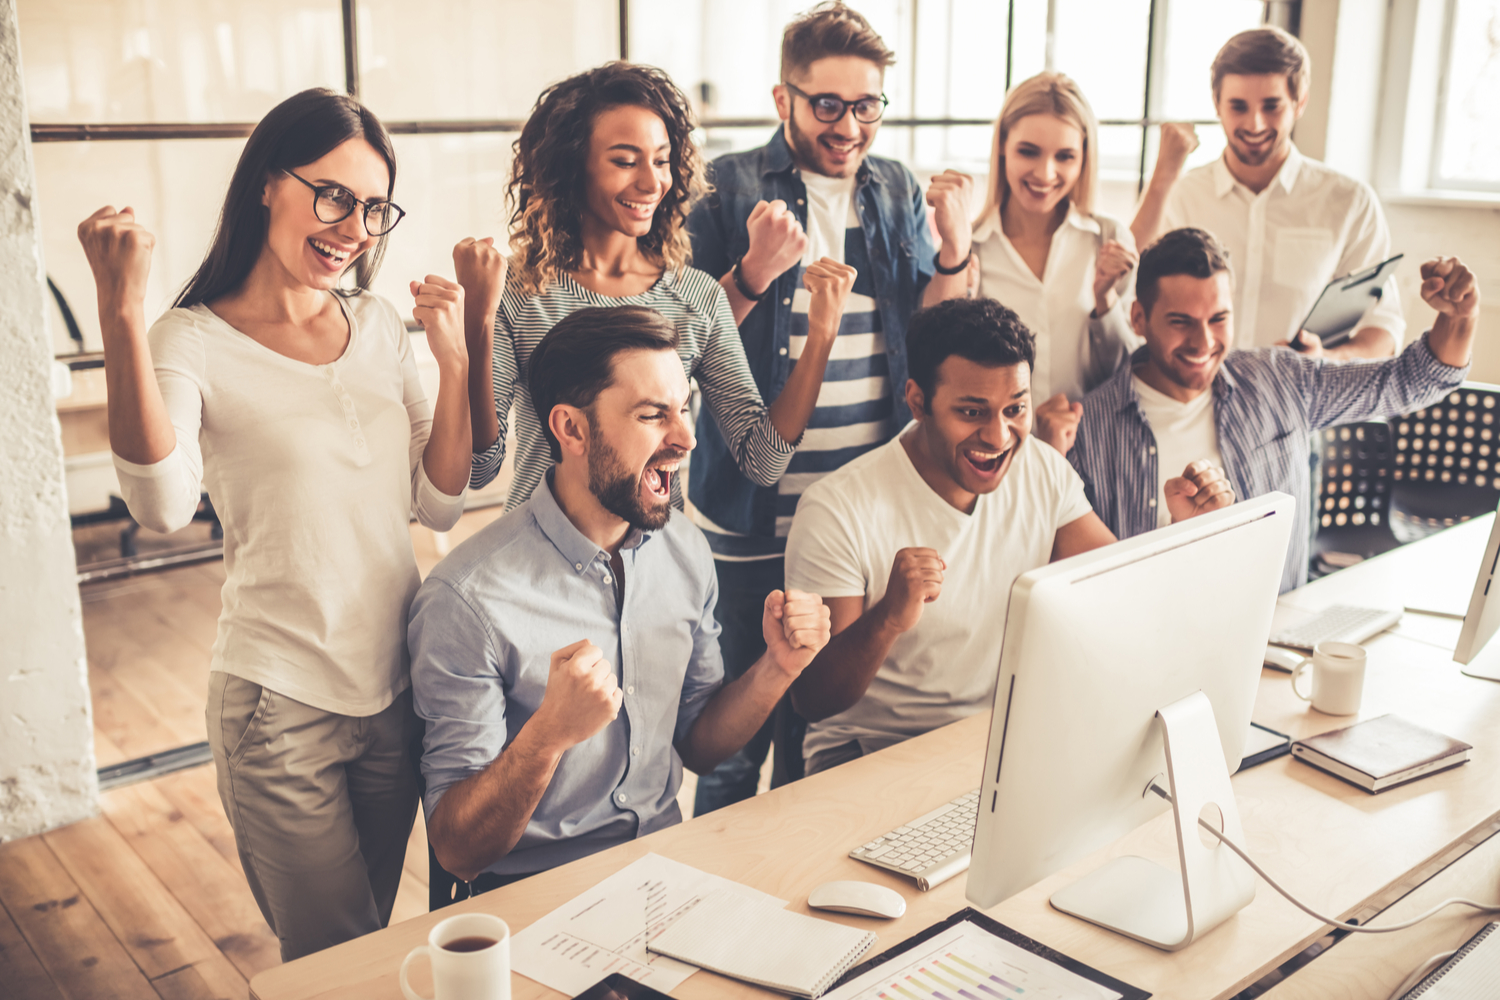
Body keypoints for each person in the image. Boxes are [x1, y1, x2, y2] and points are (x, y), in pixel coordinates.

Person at [75, 89, 471, 959]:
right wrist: (118, 315)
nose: (353, 226)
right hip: (277, 705)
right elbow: (162, 505)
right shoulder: (190, 338)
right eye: (332, 194)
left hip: (397, 692)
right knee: (337, 955)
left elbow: (438, 502)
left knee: (361, 950)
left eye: (373, 207)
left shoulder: (373, 325)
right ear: (265, 182)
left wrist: (454, 358)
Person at [409, 307, 831, 886]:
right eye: (653, 416)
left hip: (667, 870)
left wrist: (777, 669)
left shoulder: (684, 549)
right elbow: (458, 851)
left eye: (683, 410)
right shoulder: (467, 598)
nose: (685, 440)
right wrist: (548, 735)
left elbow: (699, 746)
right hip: (532, 900)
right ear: (572, 429)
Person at [684, 0, 972, 813]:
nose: (850, 125)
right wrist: (750, 268)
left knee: (823, 729)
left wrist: (954, 250)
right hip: (752, 509)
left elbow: (930, 333)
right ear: (784, 100)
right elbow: (685, 339)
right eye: (828, 105)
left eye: (868, 105)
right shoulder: (729, 188)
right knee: (736, 740)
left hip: (857, 514)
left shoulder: (896, 187)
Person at [782, 297, 1232, 776]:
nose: (998, 437)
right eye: (973, 413)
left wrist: (1186, 531)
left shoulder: (1040, 468)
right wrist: (888, 618)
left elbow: (1119, 597)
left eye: (1015, 409)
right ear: (918, 402)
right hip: (871, 752)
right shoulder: (836, 508)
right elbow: (814, 700)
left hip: (999, 743)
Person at [455, 61, 854, 513]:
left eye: (662, 160)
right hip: (539, 561)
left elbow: (762, 460)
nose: (651, 182)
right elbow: (479, 468)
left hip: (660, 565)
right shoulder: (519, 292)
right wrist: (477, 321)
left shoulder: (697, 296)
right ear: (571, 166)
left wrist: (821, 336)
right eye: (625, 161)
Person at [1068, 228, 1478, 594]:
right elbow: (1086, 581)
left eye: (1219, 319)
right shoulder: (1089, 428)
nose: (1203, 341)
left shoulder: (1278, 379)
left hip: (1271, 638)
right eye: (1181, 321)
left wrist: (1459, 318)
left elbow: (1412, 381)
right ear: (1138, 318)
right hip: (1147, 644)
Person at [1129, 26, 1403, 359]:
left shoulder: (1350, 203)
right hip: (1198, 404)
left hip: (1301, 405)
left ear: (1299, 103)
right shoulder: (1182, 196)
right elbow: (1132, 299)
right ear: (1217, 104)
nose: (1255, 124)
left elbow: (1383, 329)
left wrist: (1325, 360)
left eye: (1271, 106)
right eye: (1238, 106)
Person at [965, 72, 1138, 451]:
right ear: (1003, 148)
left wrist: (1105, 302)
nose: (1045, 174)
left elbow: (1125, 375)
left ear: (1084, 159)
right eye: (1029, 151)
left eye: (1065, 156)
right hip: (996, 455)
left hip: (1091, 451)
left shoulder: (1109, 241)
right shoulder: (970, 249)